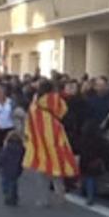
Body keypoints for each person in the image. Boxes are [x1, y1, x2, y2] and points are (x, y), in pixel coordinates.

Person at [23, 80, 80, 209]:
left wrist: (28, 136)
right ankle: (60, 196)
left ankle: (43, 199)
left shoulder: (35, 102)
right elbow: (63, 111)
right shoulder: (56, 99)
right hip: (55, 134)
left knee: (41, 169)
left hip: (38, 137)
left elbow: (29, 119)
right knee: (56, 167)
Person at [78, 121, 108, 207]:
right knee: (94, 179)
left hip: (86, 161)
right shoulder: (100, 139)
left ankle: (89, 196)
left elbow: (81, 149)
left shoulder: (84, 139)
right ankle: (92, 195)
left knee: (88, 178)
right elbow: (104, 150)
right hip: (96, 160)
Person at [0, 131, 25, 207]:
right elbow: (23, 158)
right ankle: (14, 197)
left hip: (6, 168)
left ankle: (7, 195)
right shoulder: (22, 148)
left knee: (5, 182)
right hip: (17, 168)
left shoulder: (7, 148)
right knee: (14, 183)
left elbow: (2, 157)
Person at [0, 86, 16, 155]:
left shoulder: (11, 102)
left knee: (9, 147)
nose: (1, 95)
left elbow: (16, 113)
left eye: (2, 93)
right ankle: (0, 159)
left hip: (9, 128)